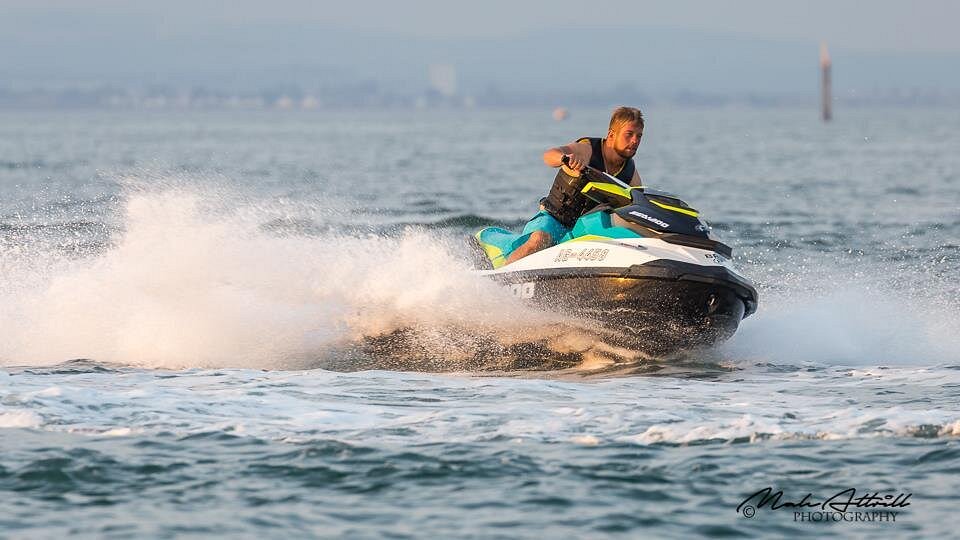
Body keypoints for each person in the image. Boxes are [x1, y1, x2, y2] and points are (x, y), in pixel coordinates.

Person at [505, 106, 644, 264]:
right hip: (554, 219)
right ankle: (496, 280)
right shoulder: (586, 149)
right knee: (539, 240)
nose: (635, 141)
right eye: (629, 134)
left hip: (585, 229)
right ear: (612, 135)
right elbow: (548, 155)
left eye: (639, 136)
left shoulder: (630, 174)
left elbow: (640, 206)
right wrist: (565, 159)